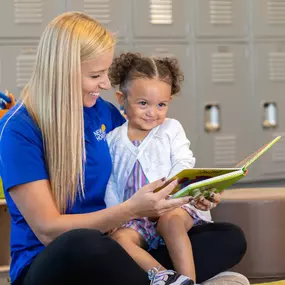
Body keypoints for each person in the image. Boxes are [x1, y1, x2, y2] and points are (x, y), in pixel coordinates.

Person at [0, 11, 248, 285]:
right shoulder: (19, 129)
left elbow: (154, 155)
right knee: (83, 245)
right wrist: (131, 209)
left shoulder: (103, 113)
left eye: (106, 72)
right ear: (61, 72)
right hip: (58, 258)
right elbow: (47, 230)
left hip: (118, 244)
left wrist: (191, 193)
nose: (106, 83)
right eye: (96, 75)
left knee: (229, 238)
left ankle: (166, 279)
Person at [105, 52, 213, 285]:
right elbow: (111, 181)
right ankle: (166, 277)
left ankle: (189, 281)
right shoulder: (113, 139)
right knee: (120, 239)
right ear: (121, 98)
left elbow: (184, 161)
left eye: (161, 105)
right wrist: (117, 214)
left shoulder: (171, 129)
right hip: (137, 215)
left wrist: (171, 193)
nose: (152, 112)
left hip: (172, 207)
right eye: (143, 103)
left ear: (169, 102)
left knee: (170, 222)